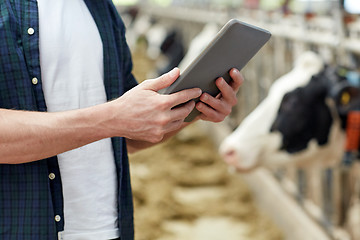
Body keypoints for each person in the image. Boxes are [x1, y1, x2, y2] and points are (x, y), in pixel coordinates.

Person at [0, 0, 243, 239]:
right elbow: (117, 120)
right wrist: (112, 118)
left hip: (107, 227)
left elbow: (128, 137)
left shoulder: (102, 9)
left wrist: (194, 108)